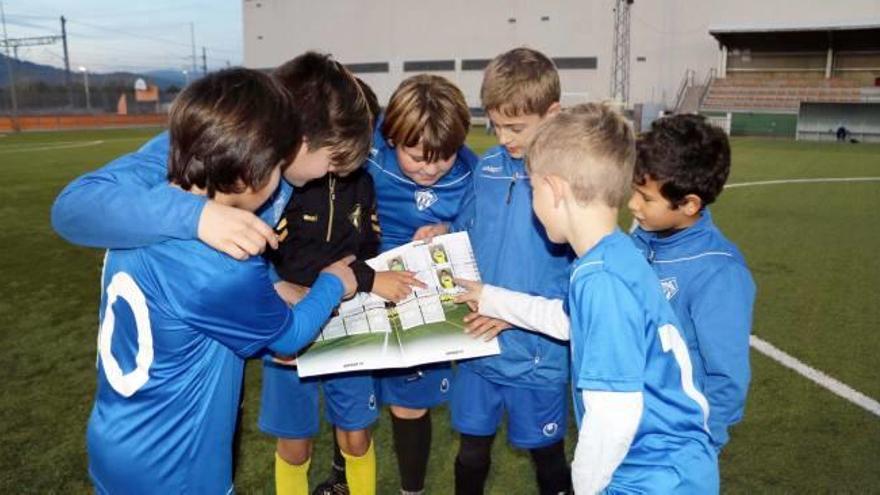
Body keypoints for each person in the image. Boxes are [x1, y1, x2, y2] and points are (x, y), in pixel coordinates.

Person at [50, 52, 374, 495]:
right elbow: (72, 207)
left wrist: (270, 287)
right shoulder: (198, 150)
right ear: (286, 143)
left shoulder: (213, 173)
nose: (332, 176)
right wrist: (196, 217)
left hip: (133, 425)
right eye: (333, 161)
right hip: (177, 458)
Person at [456, 103, 719, 494]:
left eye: (532, 187)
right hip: (665, 467)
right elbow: (568, 320)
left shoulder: (600, 279)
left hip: (650, 476)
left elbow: (614, 415)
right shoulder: (610, 254)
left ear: (555, 190)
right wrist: (492, 298)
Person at [263, 77, 423, 495]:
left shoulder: (363, 183)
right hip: (292, 320)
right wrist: (368, 279)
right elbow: (288, 255)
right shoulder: (285, 182)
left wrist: (365, 277)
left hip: (349, 322)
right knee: (294, 445)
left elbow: (368, 242)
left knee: (357, 435)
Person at [447, 47, 573, 495]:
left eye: (515, 127)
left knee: (548, 455)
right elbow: (466, 231)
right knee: (471, 452)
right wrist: (437, 233)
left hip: (536, 355)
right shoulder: (487, 170)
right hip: (479, 349)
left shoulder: (572, 181)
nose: (503, 137)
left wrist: (514, 311)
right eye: (495, 124)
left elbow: (579, 280)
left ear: (552, 114)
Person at [366, 73, 477, 495]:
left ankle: (411, 490)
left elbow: (482, 229)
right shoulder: (364, 150)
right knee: (353, 400)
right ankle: (343, 476)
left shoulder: (471, 174)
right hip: (360, 287)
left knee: (410, 405)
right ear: (393, 136)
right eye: (418, 155)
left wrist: (450, 227)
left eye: (443, 156)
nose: (431, 167)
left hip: (419, 296)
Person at [627, 114, 756, 452]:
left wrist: (699, 443)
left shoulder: (718, 273)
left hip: (677, 441)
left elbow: (727, 377)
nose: (632, 205)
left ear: (688, 204)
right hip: (629, 424)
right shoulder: (639, 241)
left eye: (646, 198)